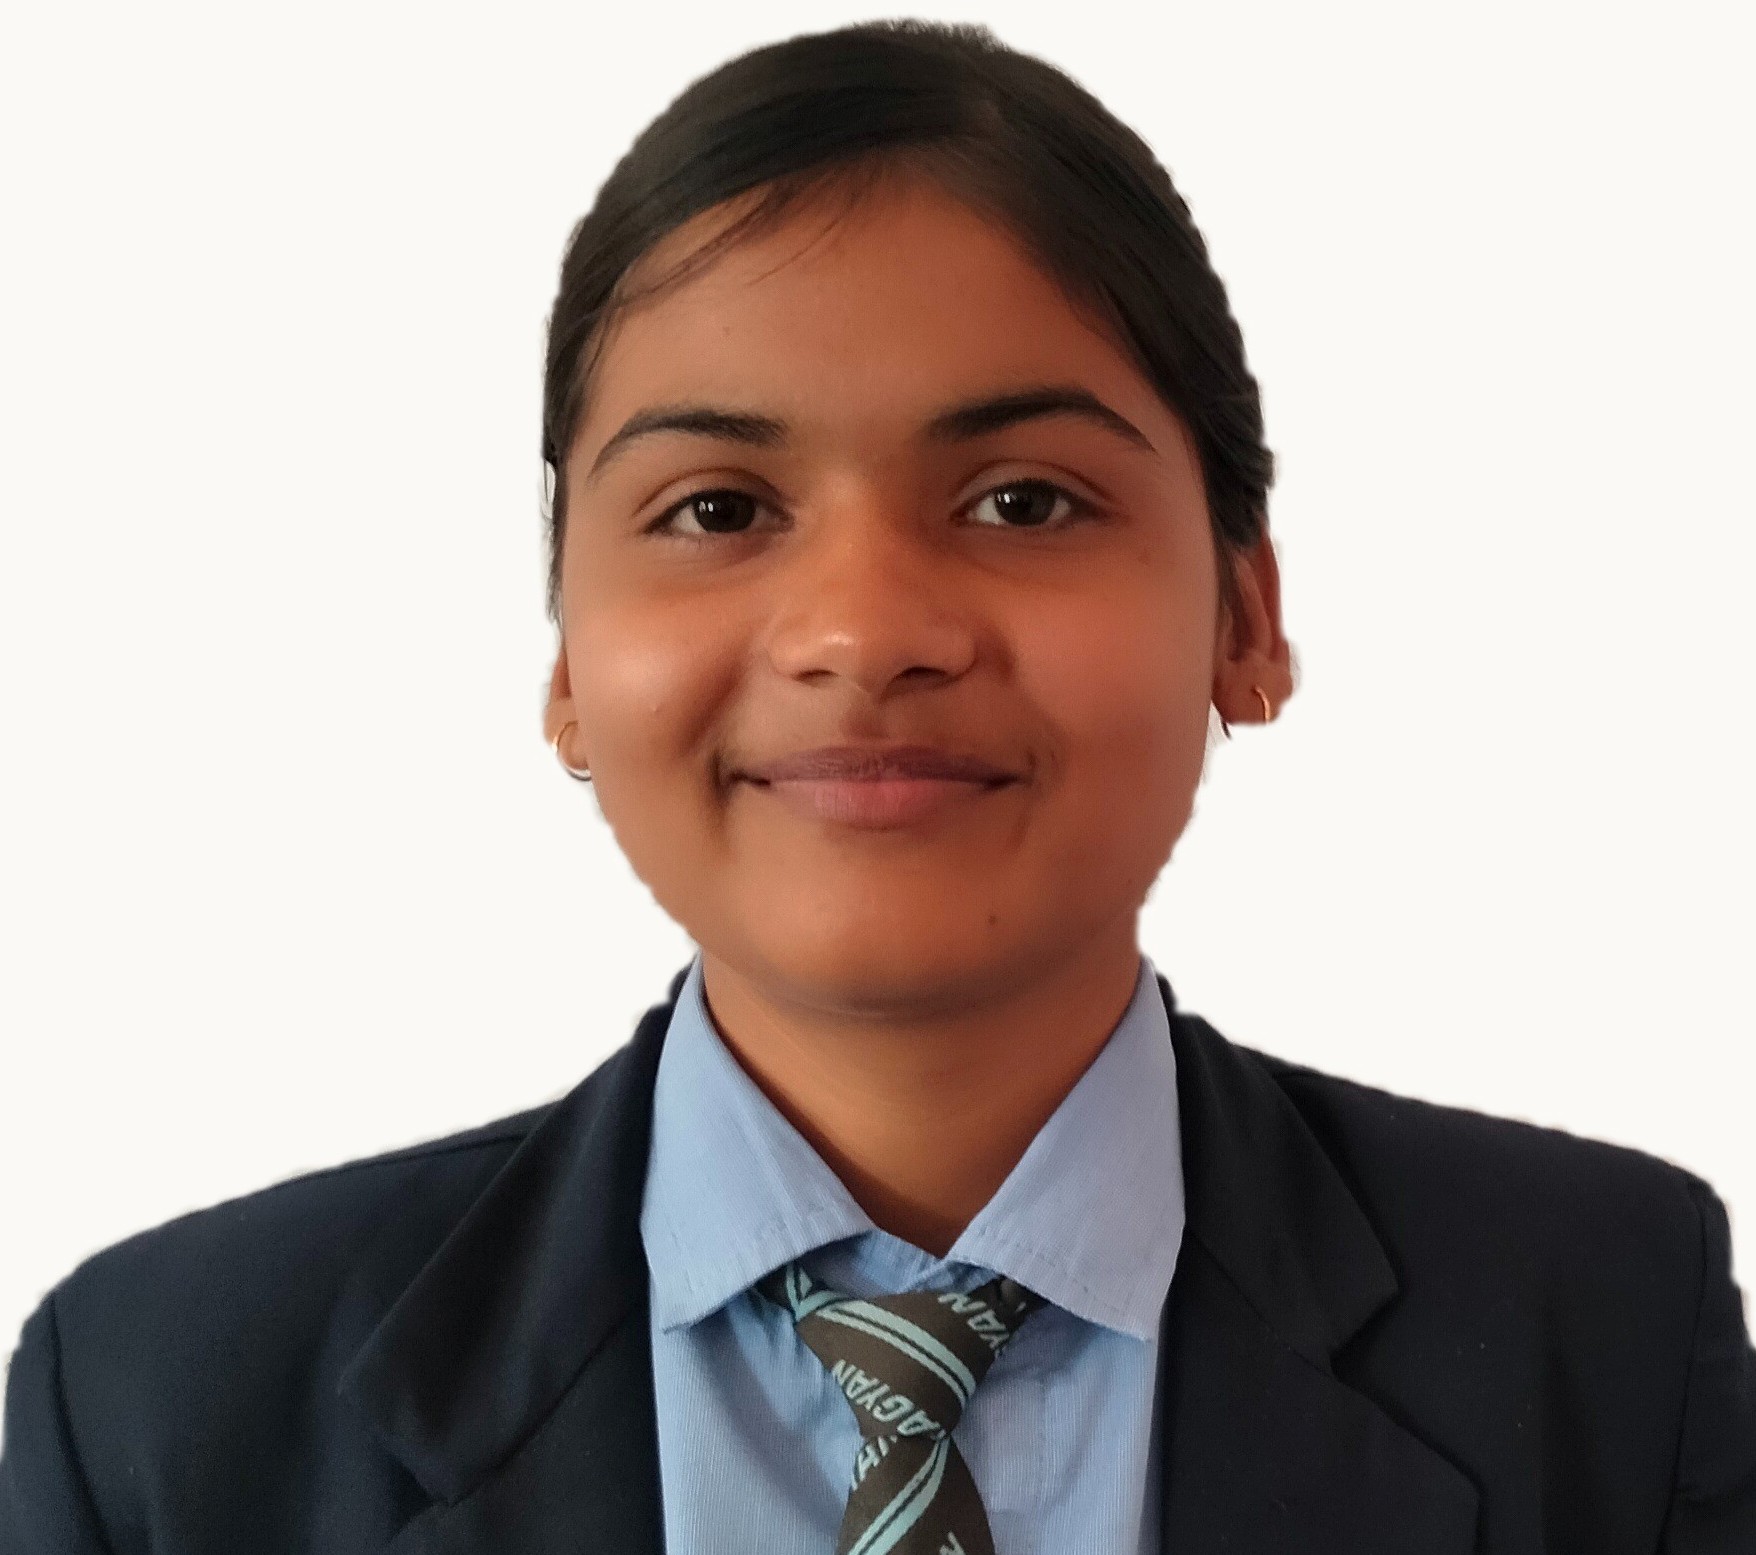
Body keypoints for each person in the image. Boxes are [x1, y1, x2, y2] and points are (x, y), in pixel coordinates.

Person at [2, 18, 1751, 1554]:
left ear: (1246, 617)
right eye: (717, 509)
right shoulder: (163, 1403)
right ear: (568, 665)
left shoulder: (1603, 1326)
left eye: (1022, 501)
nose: (862, 631)